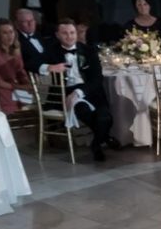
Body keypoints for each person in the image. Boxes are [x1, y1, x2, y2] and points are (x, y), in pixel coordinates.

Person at [41, 19, 116, 161]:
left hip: (89, 90)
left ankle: (96, 142)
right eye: (65, 33)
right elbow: (35, 63)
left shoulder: (88, 50)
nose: (69, 36)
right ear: (57, 35)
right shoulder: (51, 51)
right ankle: (102, 143)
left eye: (72, 33)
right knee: (86, 113)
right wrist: (48, 67)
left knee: (105, 117)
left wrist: (79, 92)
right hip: (66, 92)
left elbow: (97, 78)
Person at [0, 18, 33, 113]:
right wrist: (20, 87)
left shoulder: (15, 49)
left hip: (17, 89)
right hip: (5, 90)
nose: (10, 36)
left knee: (40, 99)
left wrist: (28, 84)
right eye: (5, 33)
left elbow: (21, 73)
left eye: (11, 32)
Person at [14, 8, 49, 75]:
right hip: (30, 77)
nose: (30, 24)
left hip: (49, 75)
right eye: (25, 21)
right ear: (17, 24)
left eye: (32, 20)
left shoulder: (40, 35)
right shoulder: (16, 40)